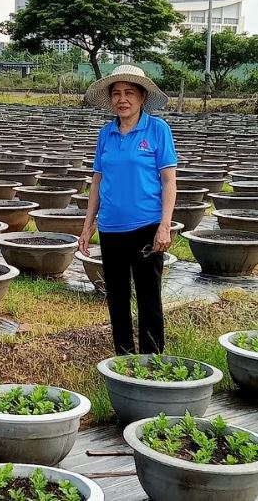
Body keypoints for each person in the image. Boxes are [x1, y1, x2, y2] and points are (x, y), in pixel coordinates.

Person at [78, 65, 177, 355]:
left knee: (148, 296)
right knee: (117, 297)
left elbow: (169, 181)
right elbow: (97, 181)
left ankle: (152, 359)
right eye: (117, 94)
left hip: (147, 225)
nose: (123, 99)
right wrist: (88, 224)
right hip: (111, 228)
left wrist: (165, 225)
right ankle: (123, 357)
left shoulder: (158, 129)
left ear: (142, 97)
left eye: (129, 93)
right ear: (111, 100)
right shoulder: (106, 133)